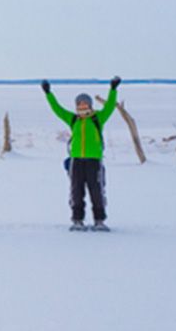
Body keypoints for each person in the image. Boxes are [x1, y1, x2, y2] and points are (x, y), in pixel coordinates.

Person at [42, 76, 121, 232]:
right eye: (79, 103)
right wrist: (48, 93)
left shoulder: (98, 118)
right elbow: (57, 109)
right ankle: (77, 220)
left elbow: (111, 106)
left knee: (96, 191)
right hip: (76, 161)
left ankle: (99, 221)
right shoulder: (73, 119)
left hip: (94, 160)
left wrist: (113, 89)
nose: (82, 105)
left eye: (85, 103)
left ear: (90, 104)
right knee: (76, 191)